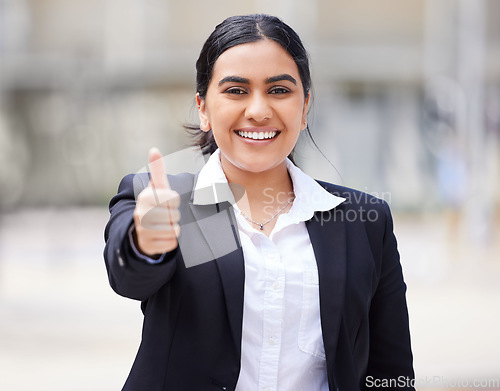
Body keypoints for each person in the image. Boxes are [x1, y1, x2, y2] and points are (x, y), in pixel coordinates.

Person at [104, 14, 415, 391]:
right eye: (236, 90)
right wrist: (147, 243)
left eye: (279, 90)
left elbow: (390, 371)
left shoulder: (361, 221)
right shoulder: (172, 203)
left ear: (305, 107)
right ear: (202, 107)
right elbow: (130, 277)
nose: (258, 110)